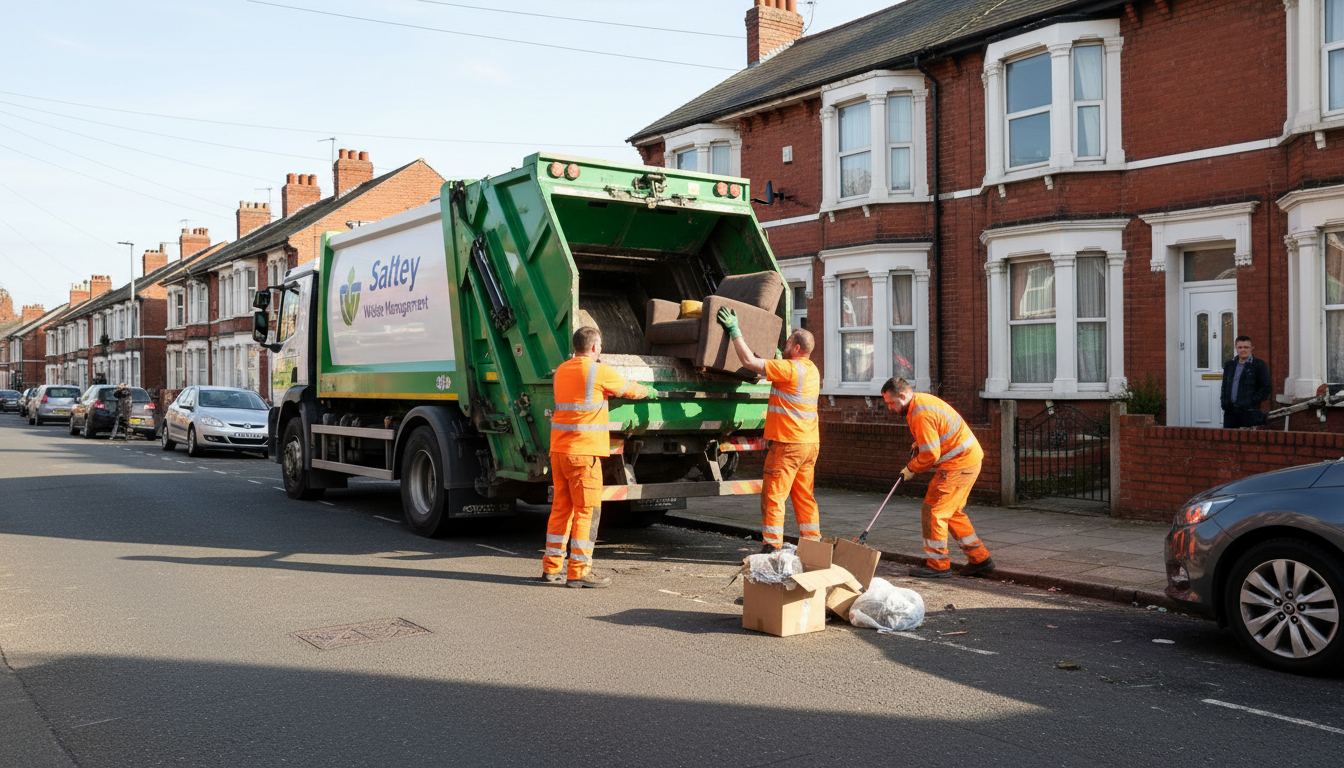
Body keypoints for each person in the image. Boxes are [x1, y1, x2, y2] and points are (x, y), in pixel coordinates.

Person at [542, 326, 657, 588]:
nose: (601, 350)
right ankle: (579, 572)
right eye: (600, 346)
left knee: (561, 510)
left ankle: (551, 568)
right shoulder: (598, 371)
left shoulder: (561, 370)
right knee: (587, 511)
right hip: (583, 454)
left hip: (559, 452)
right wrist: (647, 391)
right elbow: (628, 389)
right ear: (594, 347)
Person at [717, 308, 821, 553]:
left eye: (787, 345)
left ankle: (772, 545)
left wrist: (735, 331)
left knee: (774, 494)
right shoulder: (811, 370)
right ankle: (813, 545)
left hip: (788, 444)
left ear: (796, 348)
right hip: (809, 445)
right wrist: (779, 360)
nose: (784, 348)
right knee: (804, 497)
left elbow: (749, 363)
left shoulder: (789, 369)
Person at [881, 378, 994, 579]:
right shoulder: (921, 402)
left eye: (891, 403)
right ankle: (980, 559)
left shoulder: (920, 414)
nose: (889, 407)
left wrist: (910, 468)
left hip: (958, 465)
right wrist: (921, 442)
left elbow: (931, 455)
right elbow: (937, 432)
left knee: (934, 511)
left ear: (903, 396)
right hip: (967, 461)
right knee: (951, 513)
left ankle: (938, 565)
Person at [1221, 335, 1270, 429]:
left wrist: (1250, 402)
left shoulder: (1259, 365)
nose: (1243, 350)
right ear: (1236, 348)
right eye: (1240, 347)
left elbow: (1266, 388)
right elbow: (1224, 386)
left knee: (1248, 441)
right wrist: (1224, 403)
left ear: (1252, 348)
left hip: (1249, 413)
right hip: (1230, 413)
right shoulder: (1229, 365)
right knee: (1229, 440)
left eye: (1246, 347)